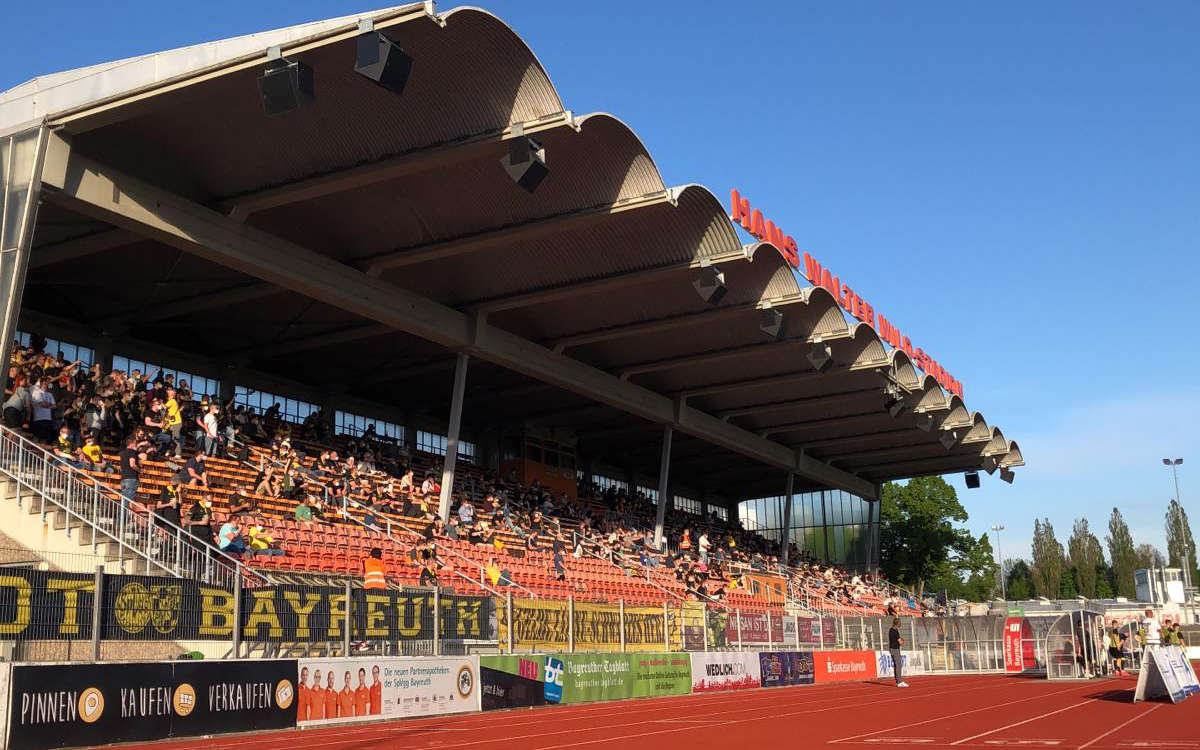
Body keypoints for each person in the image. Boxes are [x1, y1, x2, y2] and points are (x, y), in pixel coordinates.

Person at [888, 617, 908, 687]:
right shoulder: (895, 631)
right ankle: (899, 681)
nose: (900, 624)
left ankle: (898, 680)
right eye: (900, 623)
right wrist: (903, 641)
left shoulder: (891, 630)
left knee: (897, 665)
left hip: (893, 649)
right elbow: (900, 642)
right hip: (895, 649)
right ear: (897, 623)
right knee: (898, 665)